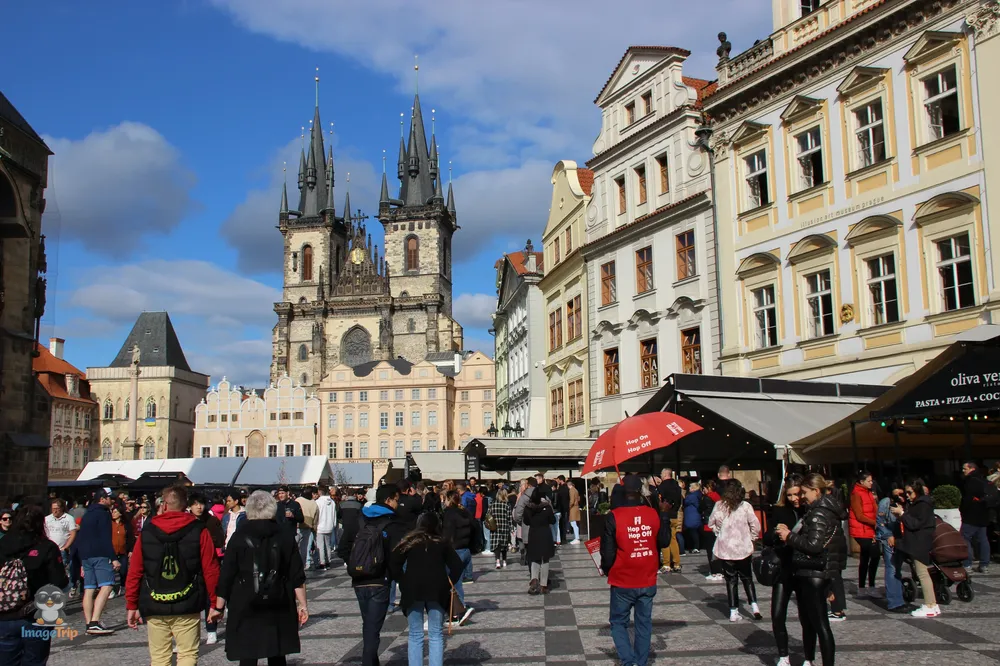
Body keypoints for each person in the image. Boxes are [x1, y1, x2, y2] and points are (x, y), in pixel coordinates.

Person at [125, 485, 221, 666]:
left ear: (164, 504)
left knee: (160, 658)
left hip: (155, 601)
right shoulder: (199, 530)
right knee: (187, 655)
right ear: (186, 505)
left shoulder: (148, 531)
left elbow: (135, 570)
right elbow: (211, 569)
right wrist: (215, 603)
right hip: (188, 600)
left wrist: (132, 603)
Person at [209, 490, 308, 666]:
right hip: (278, 600)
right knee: (277, 653)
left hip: (245, 600)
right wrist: (303, 605)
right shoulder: (284, 534)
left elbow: (227, 573)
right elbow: (296, 574)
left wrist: (218, 606)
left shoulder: (238, 536)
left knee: (248, 653)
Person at [600, 474, 670, 666]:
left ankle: (628, 661)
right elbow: (664, 542)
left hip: (623, 579)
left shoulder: (613, 516)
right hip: (647, 578)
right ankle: (640, 662)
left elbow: (607, 552)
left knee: (618, 622)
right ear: (640, 492)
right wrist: (663, 514)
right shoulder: (652, 513)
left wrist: (607, 569)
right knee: (643, 624)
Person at [776, 472, 843, 666]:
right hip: (820, 572)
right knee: (813, 622)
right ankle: (809, 660)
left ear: (816, 491)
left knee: (819, 624)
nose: (802, 496)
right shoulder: (826, 510)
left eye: (805, 492)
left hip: (814, 572)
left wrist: (789, 536)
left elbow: (814, 545)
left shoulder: (818, 513)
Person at [341, 484, 408, 666]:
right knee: (372, 629)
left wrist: (356, 564)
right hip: (380, 581)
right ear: (388, 499)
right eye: (396, 500)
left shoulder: (359, 518)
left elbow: (343, 548)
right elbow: (397, 557)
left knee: (368, 625)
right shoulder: (393, 523)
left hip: (359, 580)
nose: (397, 504)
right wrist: (397, 578)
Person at [390, 512, 463, 666]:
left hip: (412, 589)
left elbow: (393, 563)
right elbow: (457, 565)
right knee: (436, 634)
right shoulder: (442, 542)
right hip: (437, 589)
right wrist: (449, 582)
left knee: (415, 634)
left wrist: (402, 581)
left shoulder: (409, 541)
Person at [0, 505, 69, 666]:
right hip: (37, 615)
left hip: (4, 616)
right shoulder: (47, 547)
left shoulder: (3, 544)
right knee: (35, 660)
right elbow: (58, 582)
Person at [763, 474, 804, 666]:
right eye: (789, 495)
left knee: (807, 616)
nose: (794, 499)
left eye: (797, 494)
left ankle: (809, 657)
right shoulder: (779, 511)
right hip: (784, 567)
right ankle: (783, 655)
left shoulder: (810, 511)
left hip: (805, 569)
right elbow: (766, 538)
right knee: (778, 613)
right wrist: (776, 533)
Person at [708, 478, 762, 622]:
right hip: (743, 547)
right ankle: (754, 606)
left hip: (726, 549)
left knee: (731, 580)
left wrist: (718, 530)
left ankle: (733, 611)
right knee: (747, 578)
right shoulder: (745, 506)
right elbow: (755, 525)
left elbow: (710, 522)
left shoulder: (719, 505)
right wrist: (752, 538)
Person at [892, 478, 940, 618]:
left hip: (920, 542)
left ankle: (930, 605)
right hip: (920, 541)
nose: (907, 495)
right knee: (923, 573)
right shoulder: (920, 503)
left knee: (922, 574)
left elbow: (914, 524)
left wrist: (902, 514)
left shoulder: (923, 505)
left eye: (909, 492)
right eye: (905, 492)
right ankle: (932, 604)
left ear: (917, 491)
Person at [76, 489, 119, 635]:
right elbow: (105, 538)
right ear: (102, 499)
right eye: (110, 498)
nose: (112, 501)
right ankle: (95, 621)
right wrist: (113, 558)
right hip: (99, 554)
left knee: (89, 588)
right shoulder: (103, 514)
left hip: (86, 555)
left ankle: (89, 623)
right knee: (107, 586)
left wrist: (81, 559)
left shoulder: (87, 514)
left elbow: (80, 537)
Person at [189, 493, 224, 644]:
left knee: (211, 598)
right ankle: (189, 635)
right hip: (190, 566)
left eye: (201, 503)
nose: (199, 507)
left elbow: (220, 540)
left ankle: (211, 629)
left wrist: (207, 540)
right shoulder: (186, 521)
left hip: (209, 563)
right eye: (195, 504)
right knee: (191, 601)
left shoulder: (211, 521)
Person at [876, 484, 912, 613]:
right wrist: (888, 535)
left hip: (901, 538)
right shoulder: (886, 502)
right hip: (889, 538)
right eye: (897, 493)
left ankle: (900, 598)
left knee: (897, 569)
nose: (900, 495)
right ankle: (894, 602)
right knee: (892, 569)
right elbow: (879, 520)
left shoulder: (905, 501)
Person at [848, 471, 880, 597]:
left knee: (875, 556)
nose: (871, 483)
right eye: (869, 481)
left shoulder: (869, 493)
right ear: (862, 482)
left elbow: (874, 508)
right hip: (861, 530)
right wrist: (874, 522)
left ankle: (871, 585)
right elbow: (859, 515)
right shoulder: (856, 493)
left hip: (870, 529)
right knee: (866, 557)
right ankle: (862, 587)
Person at [442, 490, 476, 606]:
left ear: (449, 499)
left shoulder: (449, 514)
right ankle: (458, 607)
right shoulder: (465, 512)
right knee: (457, 582)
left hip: (454, 549)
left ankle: (457, 610)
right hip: (465, 549)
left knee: (453, 582)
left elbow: (447, 533)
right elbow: (474, 528)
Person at [523, 486, 556, 594]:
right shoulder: (547, 506)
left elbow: (526, 521)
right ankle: (543, 585)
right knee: (545, 559)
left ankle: (534, 579)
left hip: (533, 534)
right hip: (545, 534)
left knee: (534, 558)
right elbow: (553, 520)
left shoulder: (528, 508)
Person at [960, 461, 991, 574]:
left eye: (965, 469)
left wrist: (963, 510)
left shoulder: (970, 481)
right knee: (982, 539)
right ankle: (984, 565)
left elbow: (967, 499)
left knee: (965, 537)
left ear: (971, 469)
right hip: (983, 514)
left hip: (971, 514)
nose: (963, 471)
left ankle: (967, 564)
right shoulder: (984, 480)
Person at [44, 498, 77, 593]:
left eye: (57, 508)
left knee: (61, 572)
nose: (55, 510)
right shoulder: (47, 519)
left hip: (62, 550)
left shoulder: (69, 518)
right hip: (49, 550)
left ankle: (62, 590)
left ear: (62, 508)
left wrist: (66, 547)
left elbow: (73, 533)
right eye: (53, 508)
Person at [657, 469, 683, 573]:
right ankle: (676, 563)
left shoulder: (663, 486)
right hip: (675, 515)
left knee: (665, 538)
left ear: (664, 475)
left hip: (665, 515)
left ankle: (666, 564)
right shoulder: (677, 486)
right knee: (673, 538)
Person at [109, 502, 135, 599]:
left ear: (120, 513)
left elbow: (130, 538)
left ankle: (122, 586)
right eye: (112, 512)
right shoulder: (109, 524)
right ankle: (110, 589)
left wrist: (131, 550)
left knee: (123, 571)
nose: (113, 513)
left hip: (123, 551)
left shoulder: (126, 525)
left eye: (115, 512)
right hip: (112, 551)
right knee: (110, 571)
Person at [700, 480, 724, 581]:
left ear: (708, 488)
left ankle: (715, 572)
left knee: (710, 550)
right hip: (718, 526)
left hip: (708, 525)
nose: (703, 490)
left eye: (704, 488)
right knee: (718, 548)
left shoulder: (706, 498)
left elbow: (700, 508)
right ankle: (720, 570)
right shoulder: (718, 497)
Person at [336, 488, 366, 564]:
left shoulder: (341, 504)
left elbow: (338, 515)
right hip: (356, 528)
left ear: (347, 495)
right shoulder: (359, 505)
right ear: (354, 495)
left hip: (345, 527)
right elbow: (361, 517)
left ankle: (347, 560)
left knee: (345, 544)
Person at [487, 488, 514, 569]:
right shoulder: (507, 505)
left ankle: (498, 561)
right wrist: (512, 529)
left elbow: (488, 516)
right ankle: (505, 560)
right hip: (504, 528)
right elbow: (510, 518)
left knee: (497, 545)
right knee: (504, 545)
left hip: (494, 527)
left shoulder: (492, 504)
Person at [315, 484, 337, 570]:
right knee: (328, 545)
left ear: (319, 492)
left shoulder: (318, 502)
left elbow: (317, 515)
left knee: (320, 545)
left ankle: (322, 562)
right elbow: (334, 514)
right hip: (329, 525)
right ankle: (328, 561)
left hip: (320, 526)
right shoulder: (332, 502)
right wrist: (333, 524)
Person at [682, 482, 703, 554]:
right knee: (694, 532)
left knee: (693, 531)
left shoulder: (692, 496)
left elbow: (685, 501)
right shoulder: (698, 495)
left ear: (694, 489)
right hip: (695, 515)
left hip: (692, 516)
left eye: (690, 487)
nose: (689, 489)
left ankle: (696, 547)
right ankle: (696, 546)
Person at [567, 481, 582, 545]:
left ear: (568, 485)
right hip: (576, 507)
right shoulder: (576, 490)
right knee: (574, 523)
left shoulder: (571, 490)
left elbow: (572, 500)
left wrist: (569, 506)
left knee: (573, 523)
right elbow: (578, 499)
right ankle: (577, 538)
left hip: (573, 508)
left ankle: (577, 538)